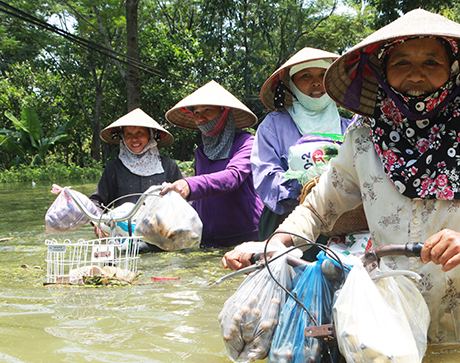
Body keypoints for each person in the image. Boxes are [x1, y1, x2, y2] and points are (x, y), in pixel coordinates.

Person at [224, 9, 460, 345]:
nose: (416, 75)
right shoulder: (363, 139)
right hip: (394, 318)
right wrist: (274, 244)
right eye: (401, 64)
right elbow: (317, 209)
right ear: (382, 73)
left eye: (431, 63)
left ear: (452, 70)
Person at [252, 47, 353, 240]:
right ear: (292, 84)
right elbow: (266, 174)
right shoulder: (273, 125)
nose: (316, 83)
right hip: (284, 222)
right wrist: (303, 190)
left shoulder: (349, 127)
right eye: (306, 76)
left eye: (324, 75)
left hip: (342, 224)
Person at [161, 80, 263, 248]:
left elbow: (233, 177)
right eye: (196, 112)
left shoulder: (246, 143)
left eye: (207, 110)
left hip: (245, 237)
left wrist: (189, 184)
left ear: (224, 112)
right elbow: (204, 192)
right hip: (207, 239)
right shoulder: (201, 152)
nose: (201, 118)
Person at [91, 108, 183, 234]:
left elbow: (185, 201)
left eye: (140, 133)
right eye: (128, 134)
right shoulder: (114, 169)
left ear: (150, 135)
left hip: (162, 236)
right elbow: (96, 202)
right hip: (124, 236)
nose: (134, 139)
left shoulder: (168, 166)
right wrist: (98, 223)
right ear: (122, 138)